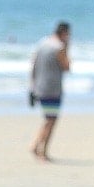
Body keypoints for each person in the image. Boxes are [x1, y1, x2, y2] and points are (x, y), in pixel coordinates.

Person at [29, 22, 71, 160]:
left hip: (39, 86)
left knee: (48, 119)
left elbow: (33, 65)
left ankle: (37, 146)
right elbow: (67, 67)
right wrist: (67, 47)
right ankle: (41, 150)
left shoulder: (43, 43)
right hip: (52, 88)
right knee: (51, 120)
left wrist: (32, 86)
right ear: (64, 33)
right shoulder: (59, 47)